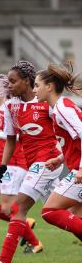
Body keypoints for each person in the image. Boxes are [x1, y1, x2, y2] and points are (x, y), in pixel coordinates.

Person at [0, 60, 62, 263]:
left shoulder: (46, 104)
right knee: (65, 212)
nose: (9, 85)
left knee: (17, 208)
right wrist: (1, 166)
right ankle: (7, 262)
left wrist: (62, 156)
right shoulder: (11, 107)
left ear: (26, 81)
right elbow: (12, 140)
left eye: (13, 81)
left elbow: (67, 132)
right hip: (37, 165)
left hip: (47, 162)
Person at [0, 75, 36, 250]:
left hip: (14, 163)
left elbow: (22, 135)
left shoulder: (11, 108)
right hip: (1, 164)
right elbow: (3, 133)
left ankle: (34, 242)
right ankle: (27, 224)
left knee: (7, 209)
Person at [33, 63, 82, 243]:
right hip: (75, 167)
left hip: (80, 170)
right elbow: (75, 141)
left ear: (49, 87)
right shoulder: (59, 109)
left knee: (49, 211)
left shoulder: (62, 109)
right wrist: (60, 159)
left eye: (37, 85)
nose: (34, 90)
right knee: (75, 215)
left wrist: (81, 169)